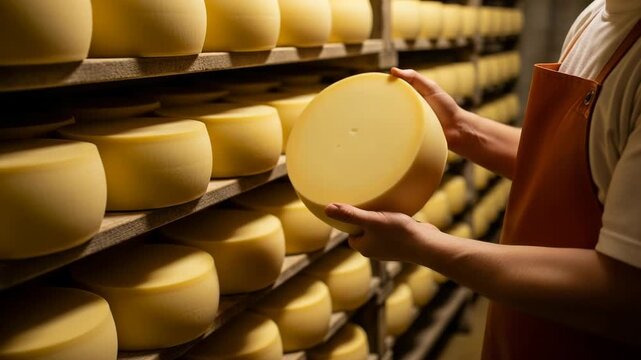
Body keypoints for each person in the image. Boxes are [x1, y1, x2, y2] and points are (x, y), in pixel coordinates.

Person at [324, 0, 641, 358]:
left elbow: (626, 291)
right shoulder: (599, 15)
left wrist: (424, 246)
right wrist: (460, 128)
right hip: (524, 326)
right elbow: (578, 161)